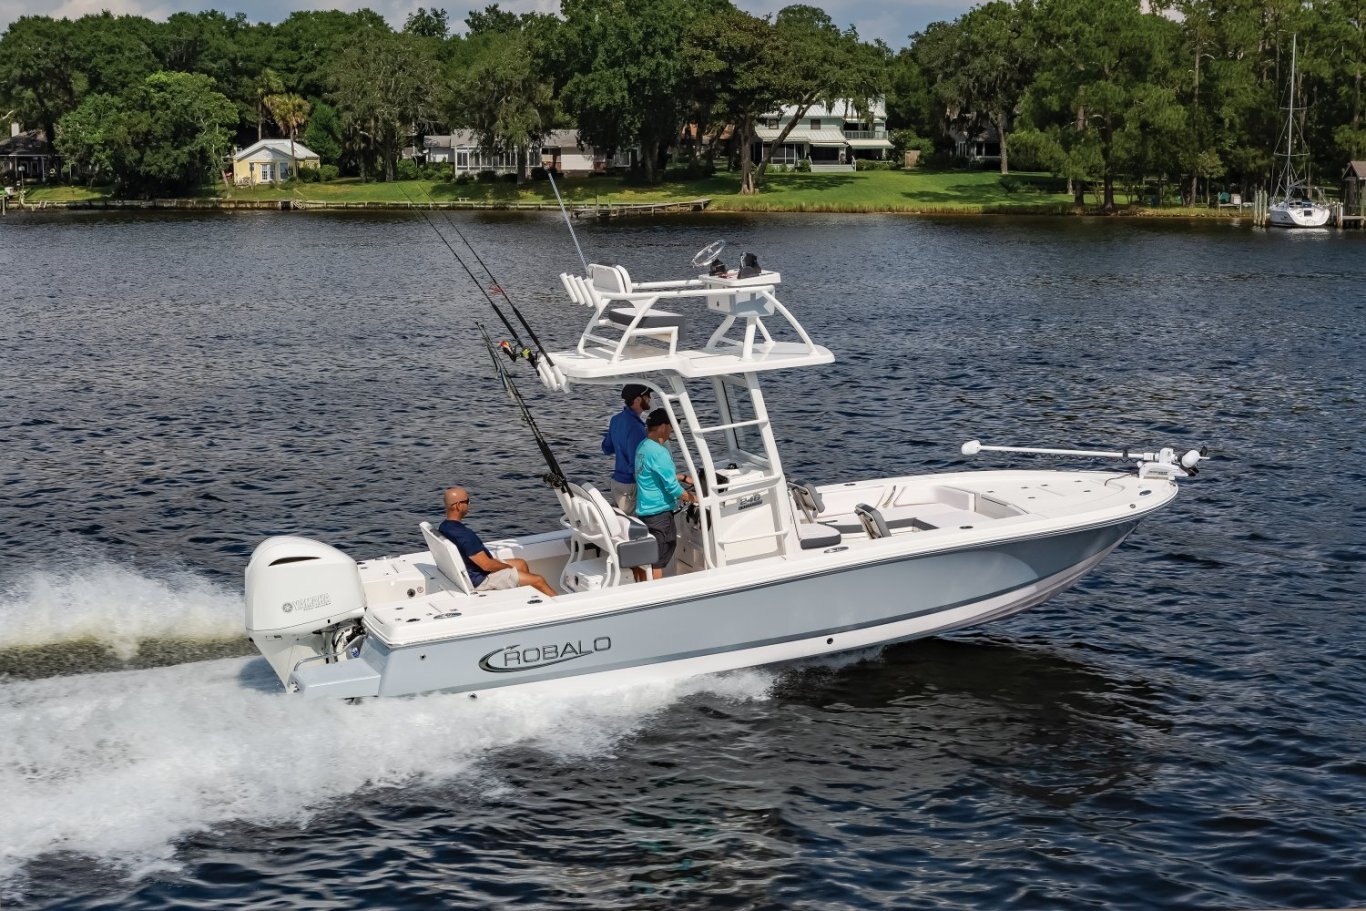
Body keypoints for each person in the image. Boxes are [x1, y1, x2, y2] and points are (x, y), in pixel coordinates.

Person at [438, 486, 556, 597]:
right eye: (467, 501)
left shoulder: (445, 527)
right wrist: (506, 567)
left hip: (472, 572)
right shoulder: (464, 535)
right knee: (538, 580)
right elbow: (486, 565)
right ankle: (561, 603)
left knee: (521, 563)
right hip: (481, 579)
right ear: (458, 505)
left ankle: (525, 597)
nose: (469, 504)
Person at [634, 409, 697, 580]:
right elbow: (673, 489)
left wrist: (683, 477)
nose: (672, 430)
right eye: (671, 426)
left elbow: (651, 475)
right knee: (659, 559)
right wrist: (695, 498)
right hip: (660, 514)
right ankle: (657, 595)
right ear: (662, 426)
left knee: (654, 555)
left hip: (645, 511)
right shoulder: (660, 453)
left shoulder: (643, 446)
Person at [601, 383, 651, 514]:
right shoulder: (637, 428)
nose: (650, 399)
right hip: (630, 486)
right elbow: (637, 463)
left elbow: (607, 448)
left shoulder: (615, 419)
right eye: (648, 396)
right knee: (633, 526)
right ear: (638, 400)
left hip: (616, 482)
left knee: (621, 522)